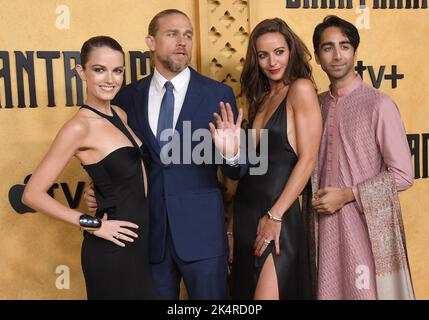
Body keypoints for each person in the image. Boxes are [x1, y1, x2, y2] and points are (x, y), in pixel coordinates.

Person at [85, 9, 242, 299]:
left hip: (203, 237)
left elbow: (236, 172)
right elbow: (119, 158)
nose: (183, 42)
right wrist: (100, 191)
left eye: (188, 35)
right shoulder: (125, 98)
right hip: (147, 236)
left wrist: (231, 154)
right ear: (151, 41)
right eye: (172, 34)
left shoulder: (217, 94)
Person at [22, 36, 157, 299]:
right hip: (110, 251)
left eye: (117, 70)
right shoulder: (78, 127)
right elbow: (31, 194)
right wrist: (92, 224)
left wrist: (99, 190)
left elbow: (118, 175)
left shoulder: (120, 114)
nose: (110, 79)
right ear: (81, 72)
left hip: (138, 246)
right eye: (99, 69)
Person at [311, 15, 415, 300]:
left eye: (344, 46)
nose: (337, 55)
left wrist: (347, 195)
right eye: (327, 47)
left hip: (363, 225)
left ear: (355, 52)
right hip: (323, 227)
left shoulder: (378, 104)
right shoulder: (315, 105)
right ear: (318, 57)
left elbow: (404, 175)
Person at [220, 18, 322, 300]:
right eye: (263, 55)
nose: (272, 61)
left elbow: (308, 159)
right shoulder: (261, 99)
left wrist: (275, 215)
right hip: (245, 216)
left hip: (278, 214)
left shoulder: (300, 89)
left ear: (291, 51)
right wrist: (230, 229)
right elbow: (249, 171)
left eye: (279, 51)